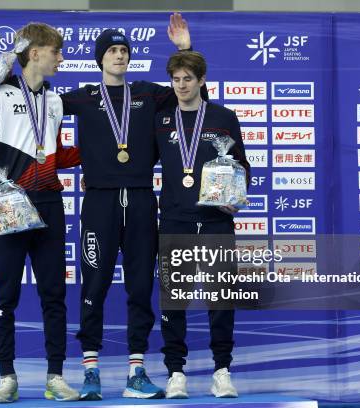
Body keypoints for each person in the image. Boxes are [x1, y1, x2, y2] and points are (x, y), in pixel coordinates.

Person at [60, 13, 201, 400]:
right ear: (100, 58)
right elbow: (39, 103)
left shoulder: (148, 93)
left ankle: (136, 372)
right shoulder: (84, 97)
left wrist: (184, 49)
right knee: (95, 284)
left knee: (141, 287)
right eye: (112, 51)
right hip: (100, 202)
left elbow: (188, 89)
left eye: (124, 51)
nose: (119, 56)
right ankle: (90, 371)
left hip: (140, 200)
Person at [0, 22, 81, 403]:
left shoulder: (57, 100)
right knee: (5, 296)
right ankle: (6, 377)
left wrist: (99, 153)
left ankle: (56, 377)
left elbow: (55, 153)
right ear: (35, 53)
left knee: (54, 295)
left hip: (48, 203)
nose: (61, 58)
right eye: (56, 52)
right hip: (7, 205)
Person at [154, 50, 250, 399]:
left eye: (188, 79)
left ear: (202, 81)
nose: (181, 85)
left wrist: (237, 197)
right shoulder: (162, 120)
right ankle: (176, 373)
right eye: (176, 80)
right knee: (173, 300)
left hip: (215, 222)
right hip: (175, 220)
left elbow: (242, 165)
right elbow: (137, 163)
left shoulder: (224, 118)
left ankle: (222, 371)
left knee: (221, 298)